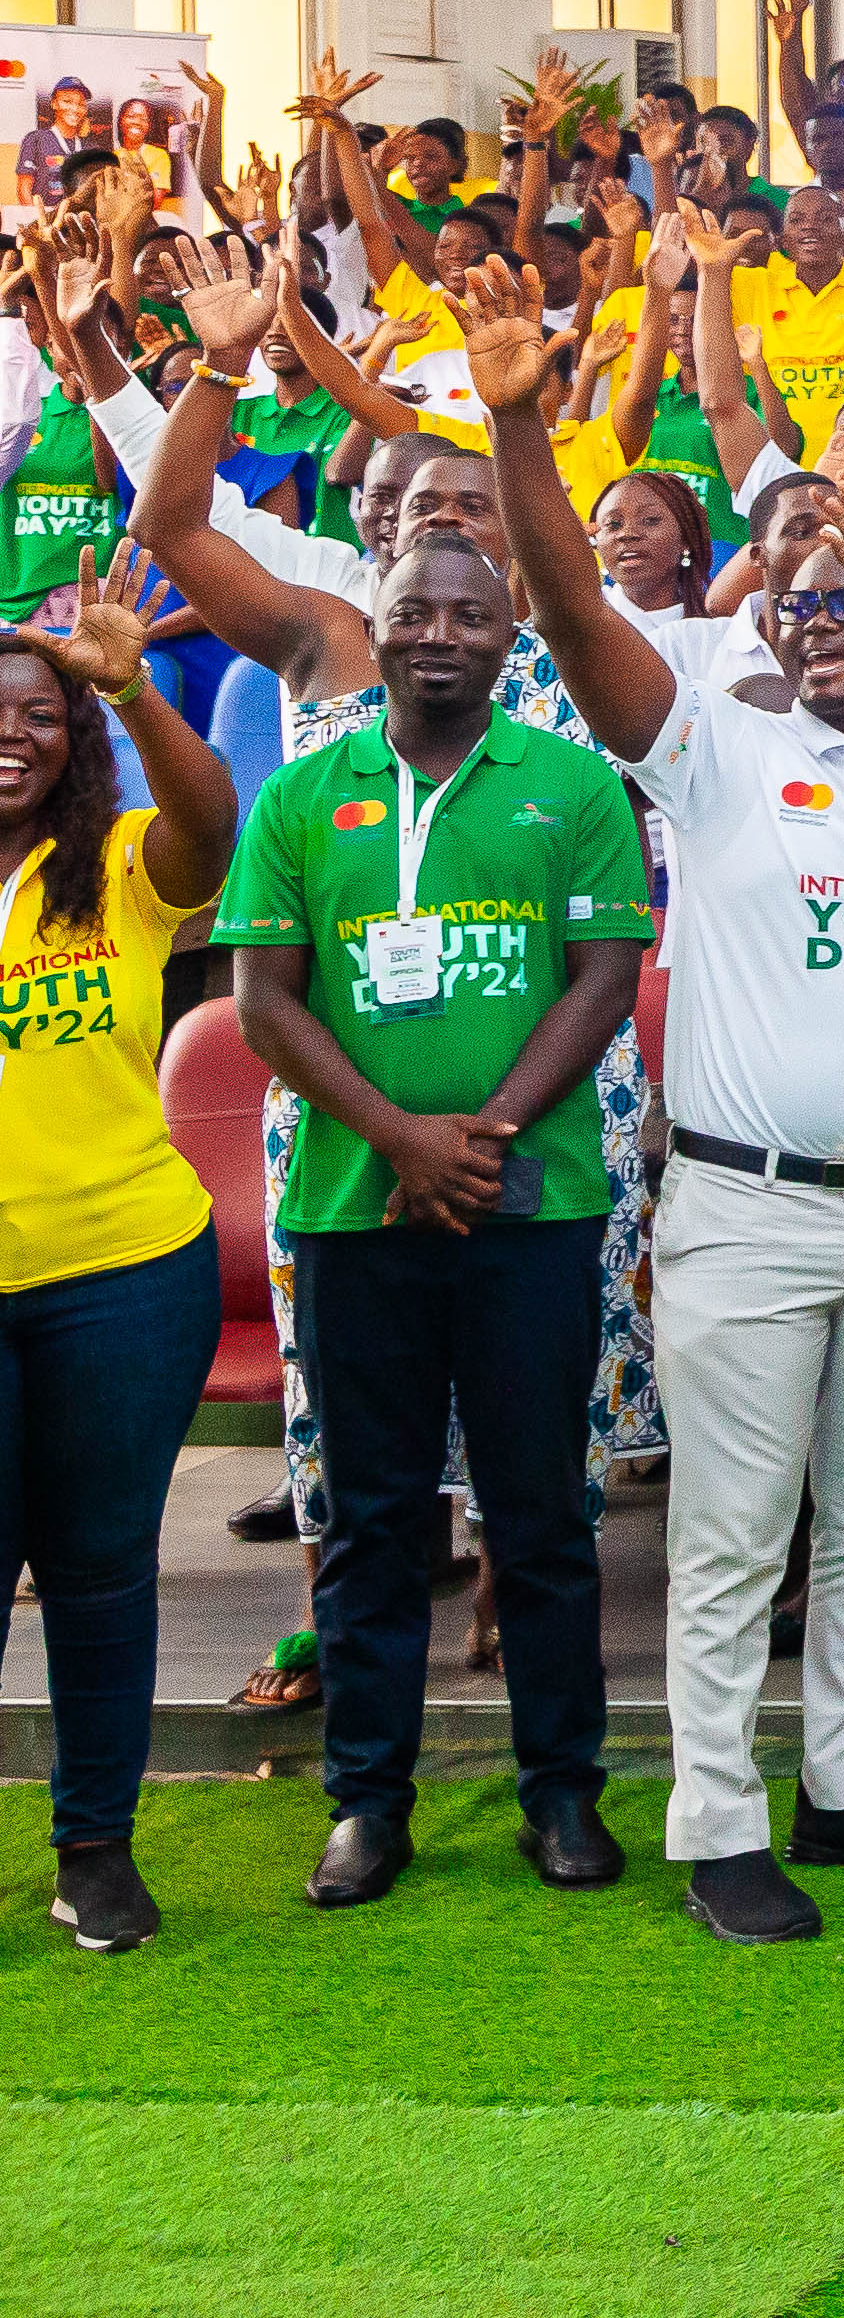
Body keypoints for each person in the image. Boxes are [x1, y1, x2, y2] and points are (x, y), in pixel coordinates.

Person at [469, 265, 844, 1949]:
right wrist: (515, 415)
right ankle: (721, 1818)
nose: (820, 624)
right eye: (797, 602)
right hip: (747, 1199)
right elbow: (573, 615)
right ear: (765, 625)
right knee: (732, 1534)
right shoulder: (712, 745)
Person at [219, 530, 652, 1913]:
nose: (441, 634)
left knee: (543, 1511)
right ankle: (367, 1801)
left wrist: (483, 1139)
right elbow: (263, 1001)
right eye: (415, 612)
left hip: (534, 1206)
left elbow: (603, 980)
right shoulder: (301, 794)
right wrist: (405, 1139)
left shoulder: (574, 784)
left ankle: (563, 1792)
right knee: (373, 1519)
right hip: (355, 1208)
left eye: (471, 614)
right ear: (381, 625)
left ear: (509, 629)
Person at [0, 576, 240, 1948]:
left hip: (117, 1274)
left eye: (42, 714)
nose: (17, 734)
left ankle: (95, 1847)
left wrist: (131, 686)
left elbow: (216, 831)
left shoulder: (123, 864)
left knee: (96, 1567)